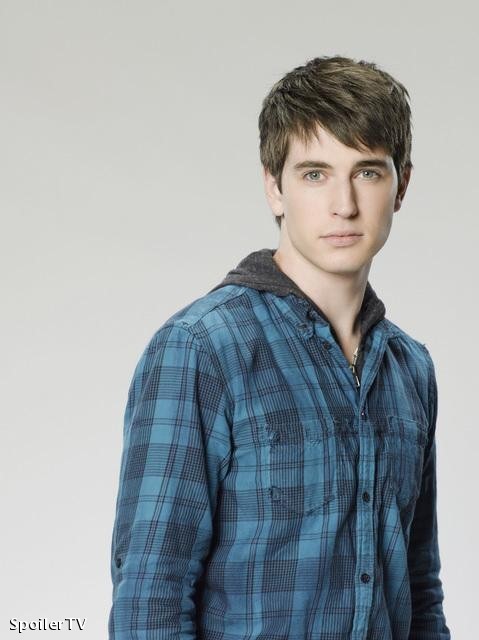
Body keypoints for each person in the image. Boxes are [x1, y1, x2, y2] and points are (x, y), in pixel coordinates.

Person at [108, 55, 450, 639]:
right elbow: (149, 600)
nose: (344, 204)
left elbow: (420, 591)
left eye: (368, 172)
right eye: (315, 174)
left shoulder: (409, 368)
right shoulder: (202, 349)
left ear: (402, 186)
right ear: (274, 188)